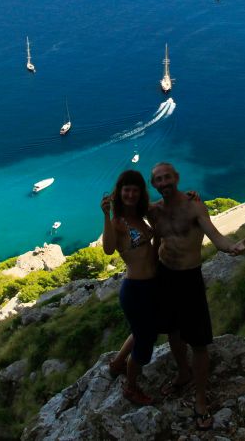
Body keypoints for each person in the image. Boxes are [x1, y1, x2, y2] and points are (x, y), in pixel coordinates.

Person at [148, 161, 245, 430]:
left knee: (199, 341)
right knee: (173, 331)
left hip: (189, 278)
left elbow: (215, 235)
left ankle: (200, 400)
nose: (164, 182)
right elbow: (148, 232)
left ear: (176, 178)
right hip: (165, 275)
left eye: (168, 177)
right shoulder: (153, 212)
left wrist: (231, 247)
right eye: (159, 179)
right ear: (153, 184)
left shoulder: (194, 206)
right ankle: (183, 374)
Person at [101, 169, 159, 405]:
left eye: (135, 190)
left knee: (140, 331)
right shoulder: (119, 223)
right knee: (145, 339)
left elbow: (166, 206)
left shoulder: (140, 217)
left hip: (152, 285)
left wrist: (190, 198)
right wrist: (106, 215)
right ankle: (130, 387)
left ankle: (116, 365)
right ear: (119, 192)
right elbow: (107, 249)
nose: (131, 194)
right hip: (135, 289)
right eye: (127, 189)